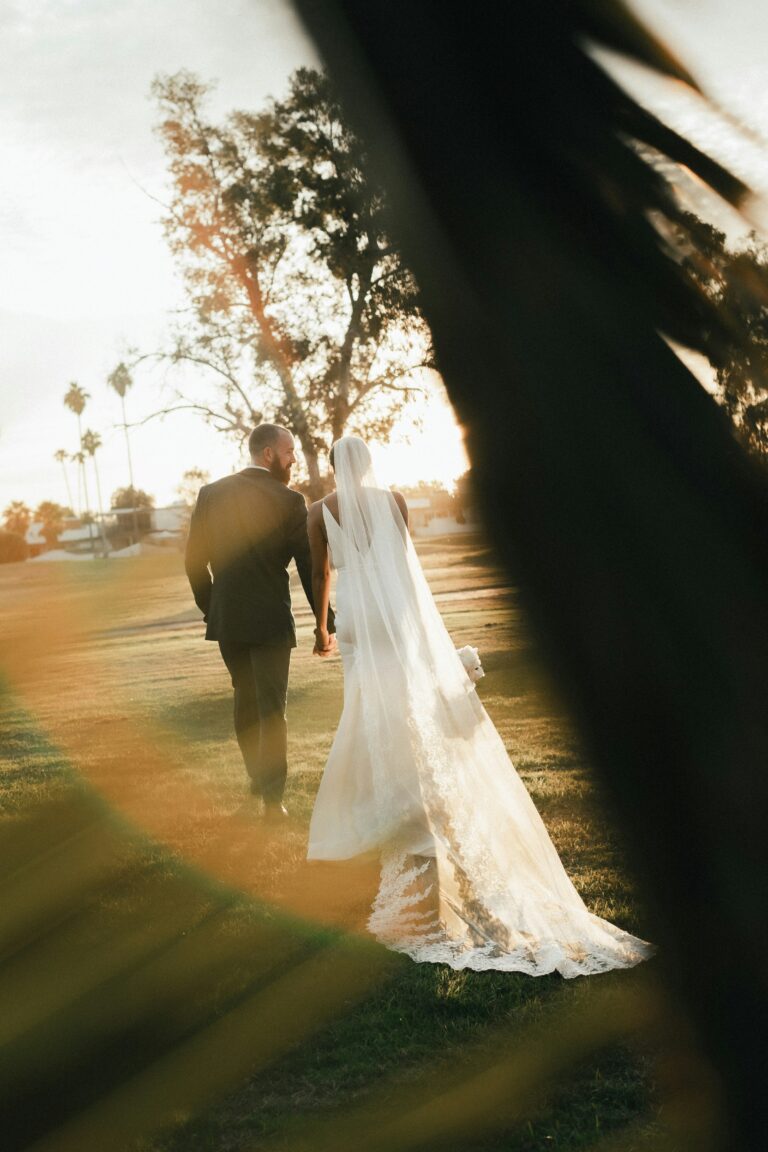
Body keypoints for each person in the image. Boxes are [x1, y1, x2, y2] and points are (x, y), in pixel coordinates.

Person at [306, 436, 653, 975]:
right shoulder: (394, 501)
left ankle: (374, 805)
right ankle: (403, 790)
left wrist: (323, 626)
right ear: (370, 465)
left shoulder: (317, 511)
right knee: (406, 700)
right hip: (394, 618)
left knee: (366, 705)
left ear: (332, 468)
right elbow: (406, 573)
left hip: (354, 620)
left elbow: (319, 572)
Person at [185, 424, 335, 819]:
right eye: (288, 453)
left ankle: (258, 782)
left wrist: (212, 607)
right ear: (268, 454)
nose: (292, 460)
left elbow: (193, 562)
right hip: (269, 623)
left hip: (228, 621)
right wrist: (326, 621)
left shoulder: (210, 494)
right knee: (272, 711)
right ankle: (272, 801)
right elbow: (309, 566)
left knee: (245, 702)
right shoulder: (289, 500)